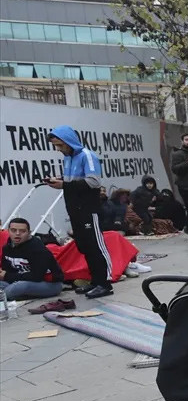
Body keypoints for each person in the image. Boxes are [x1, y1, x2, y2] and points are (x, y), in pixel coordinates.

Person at [46, 125, 113, 299]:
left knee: (96, 246)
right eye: (56, 146)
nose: (58, 149)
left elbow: (94, 182)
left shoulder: (87, 155)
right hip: (75, 209)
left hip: (88, 209)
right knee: (85, 246)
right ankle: (95, 281)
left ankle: (105, 283)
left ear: (69, 141)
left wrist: (64, 184)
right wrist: (60, 181)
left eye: (60, 145)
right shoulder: (68, 158)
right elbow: (74, 181)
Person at [1, 217, 65, 300]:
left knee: (20, 286)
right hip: (19, 281)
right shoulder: (7, 248)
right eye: (13, 230)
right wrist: (4, 275)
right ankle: (10, 296)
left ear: (29, 233)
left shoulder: (37, 248)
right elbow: (7, 271)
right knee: (10, 286)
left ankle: (5, 296)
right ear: (8, 231)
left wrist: (7, 276)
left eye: (22, 231)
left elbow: (37, 276)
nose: (17, 233)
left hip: (49, 283)